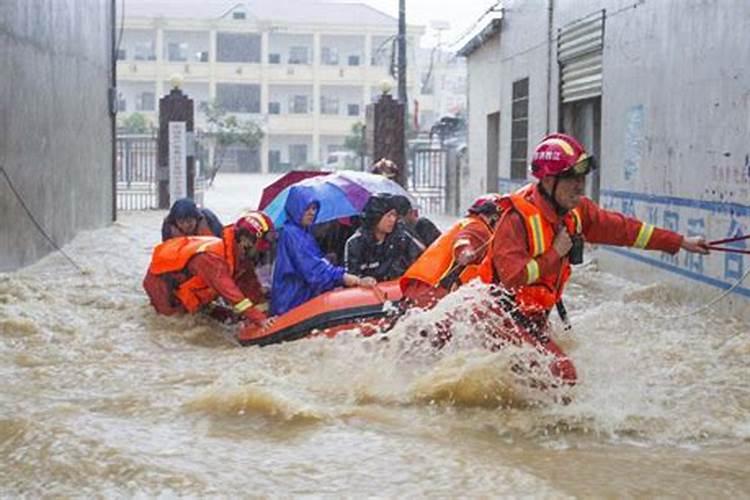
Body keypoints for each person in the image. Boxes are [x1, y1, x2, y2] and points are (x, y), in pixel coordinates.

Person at [480, 132, 710, 334]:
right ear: (549, 180)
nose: (580, 186)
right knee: (565, 375)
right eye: (572, 179)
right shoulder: (516, 219)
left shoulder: (577, 211)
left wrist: (679, 242)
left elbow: (625, 230)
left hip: (534, 317)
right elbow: (512, 278)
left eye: (582, 178)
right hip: (503, 317)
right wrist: (554, 253)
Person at [143, 211, 275, 326]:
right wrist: (259, 319)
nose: (260, 253)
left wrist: (262, 311)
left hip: (188, 285)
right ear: (245, 241)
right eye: (259, 248)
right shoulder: (213, 259)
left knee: (221, 316)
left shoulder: (239, 258)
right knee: (176, 323)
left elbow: (250, 287)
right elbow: (232, 294)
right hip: (162, 286)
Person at [270, 186, 376, 316]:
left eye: (314, 208)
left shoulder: (303, 232)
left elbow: (312, 262)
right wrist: (347, 278)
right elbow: (314, 271)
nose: (311, 212)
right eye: (306, 208)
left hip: (299, 298)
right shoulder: (292, 234)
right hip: (292, 302)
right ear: (296, 208)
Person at [400, 194, 502, 309]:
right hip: (437, 293)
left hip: (422, 287)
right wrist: (465, 251)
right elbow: (464, 240)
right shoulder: (479, 228)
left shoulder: (466, 222)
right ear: (492, 217)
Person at [344, 194, 423, 282]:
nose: (392, 220)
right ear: (376, 217)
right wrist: (361, 280)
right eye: (388, 216)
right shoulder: (355, 243)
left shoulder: (400, 236)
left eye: (394, 215)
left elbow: (419, 257)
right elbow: (351, 276)